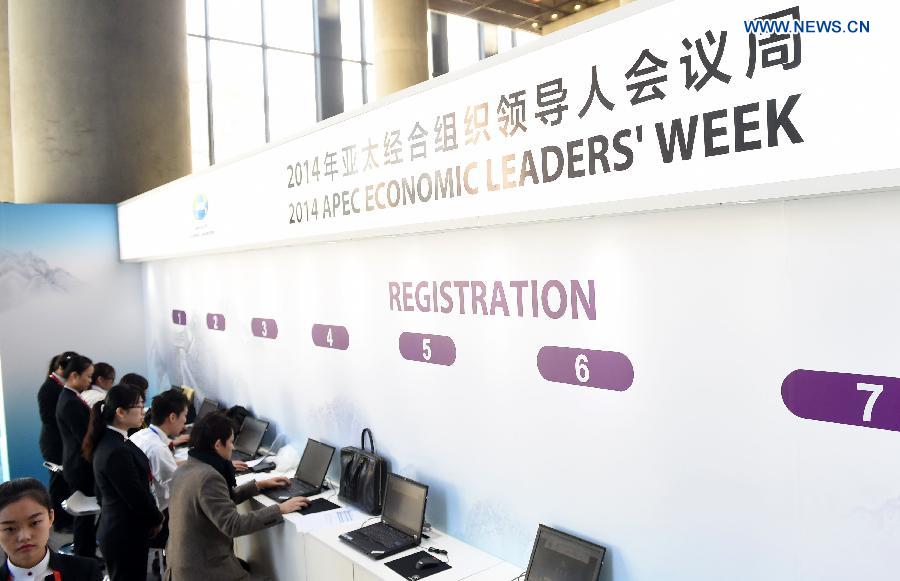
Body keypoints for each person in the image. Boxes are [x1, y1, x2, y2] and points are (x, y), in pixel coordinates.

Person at [165, 412, 308, 581]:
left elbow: (215, 503)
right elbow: (233, 525)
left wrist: (258, 486)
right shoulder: (209, 477)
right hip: (202, 571)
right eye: (231, 442)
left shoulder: (185, 470)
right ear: (218, 444)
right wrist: (279, 509)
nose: (233, 447)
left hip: (180, 566)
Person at [83, 384, 163, 581]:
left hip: (121, 527)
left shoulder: (114, 440)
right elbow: (135, 495)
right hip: (125, 532)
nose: (143, 412)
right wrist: (156, 518)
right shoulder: (116, 449)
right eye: (139, 406)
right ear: (120, 412)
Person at [0, 477, 103, 580]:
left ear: (50, 517)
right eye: (10, 529)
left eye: (34, 523)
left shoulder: (85, 571)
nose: (24, 536)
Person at [130, 389, 190, 549]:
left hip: (138, 511)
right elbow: (177, 484)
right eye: (184, 415)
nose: (185, 421)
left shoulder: (141, 435)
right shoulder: (158, 448)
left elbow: (162, 468)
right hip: (160, 515)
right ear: (172, 417)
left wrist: (194, 461)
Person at [54, 355, 96, 558]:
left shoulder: (71, 397)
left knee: (85, 518)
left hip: (76, 463)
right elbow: (84, 437)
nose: (90, 381)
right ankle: (84, 556)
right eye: (88, 377)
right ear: (74, 375)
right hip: (79, 466)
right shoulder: (70, 402)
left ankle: (85, 552)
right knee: (84, 516)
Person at [37, 351, 77, 533]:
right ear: (60, 368)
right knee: (58, 483)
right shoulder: (49, 388)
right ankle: (60, 522)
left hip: (63, 443)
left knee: (65, 482)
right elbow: (47, 418)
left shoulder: (61, 387)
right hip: (54, 444)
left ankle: (67, 519)